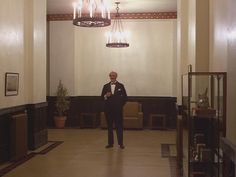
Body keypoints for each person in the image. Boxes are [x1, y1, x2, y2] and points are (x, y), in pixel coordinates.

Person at [101, 71, 127, 149]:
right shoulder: (105, 86)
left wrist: (119, 106)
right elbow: (102, 97)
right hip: (108, 110)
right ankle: (110, 144)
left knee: (119, 126)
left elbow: (125, 98)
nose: (112, 77)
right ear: (109, 76)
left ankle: (120, 143)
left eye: (113, 75)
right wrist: (106, 95)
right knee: (109, 127)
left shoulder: (121, 86)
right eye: (111, 75)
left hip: (118, 110)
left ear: (116, 76)